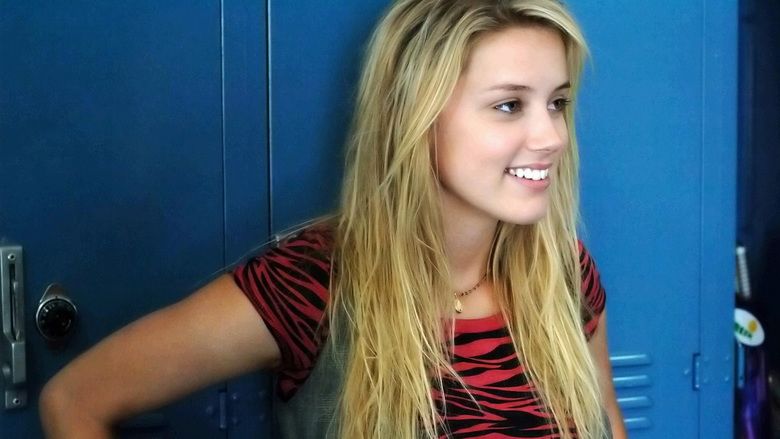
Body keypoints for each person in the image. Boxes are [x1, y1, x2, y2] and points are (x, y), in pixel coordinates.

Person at [39, 0, 627, 438]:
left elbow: (606, 420)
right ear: (415, 117)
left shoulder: (563, 272)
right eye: (508, 105)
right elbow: (75, 400)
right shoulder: (312, 284)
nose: (551, 136)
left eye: (558, 102)